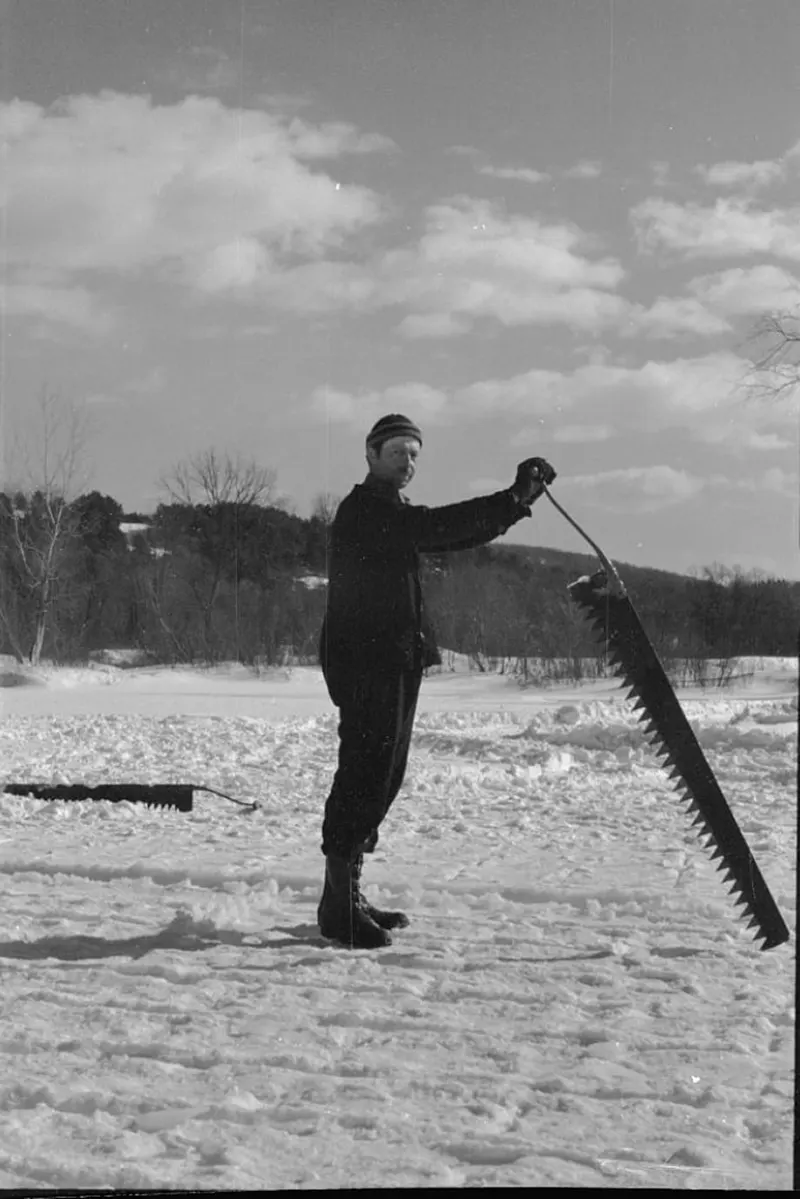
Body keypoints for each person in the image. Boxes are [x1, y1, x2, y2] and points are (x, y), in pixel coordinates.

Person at [317, 413, 556, 948]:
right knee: (364, 774)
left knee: (383, 775)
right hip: (367, 666)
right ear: (372, 454)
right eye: (399, 452)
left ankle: (346, 895)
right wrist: (514, 498)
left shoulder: (391, 511)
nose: (409, 463)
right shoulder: (365, 511)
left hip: (395, 661)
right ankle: (337, 909)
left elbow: (440, 532)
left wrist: (517, 502)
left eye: (415, 454)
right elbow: (440, 527)